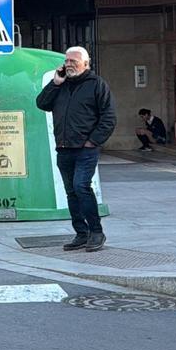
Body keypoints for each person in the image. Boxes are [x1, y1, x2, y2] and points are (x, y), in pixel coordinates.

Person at [36, 46, 116, 253]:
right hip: (63, 148)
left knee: (81, 186)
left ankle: (96, 232)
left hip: (85, 149)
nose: (69, 64)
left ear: (86, 64)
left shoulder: (97, 84)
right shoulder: (60, 85)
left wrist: (93, 141)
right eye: (67, 60)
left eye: (74, 61)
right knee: (71, 192)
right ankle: (81, 233)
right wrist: (55, 83)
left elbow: (108, 117)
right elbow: (41, 103)